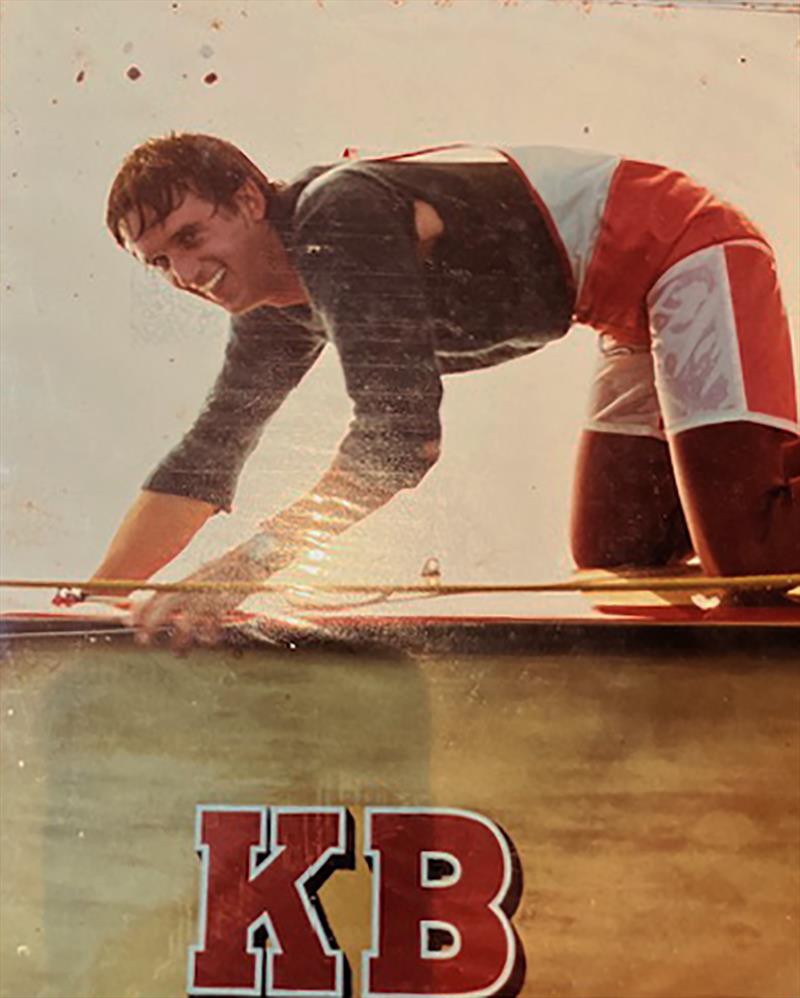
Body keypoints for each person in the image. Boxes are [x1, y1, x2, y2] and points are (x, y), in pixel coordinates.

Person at [84, 133, 799, 648]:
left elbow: (399, 444)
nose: (184, 272)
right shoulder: (277, 308)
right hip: (625, 318)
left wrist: (241, 574)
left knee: (753, 561)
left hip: (684, 249)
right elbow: (208, 457)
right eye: (161, 262)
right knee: (617, 554)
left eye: (191, 235)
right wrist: (91, 606)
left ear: (248, 200)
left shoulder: (338, 218)